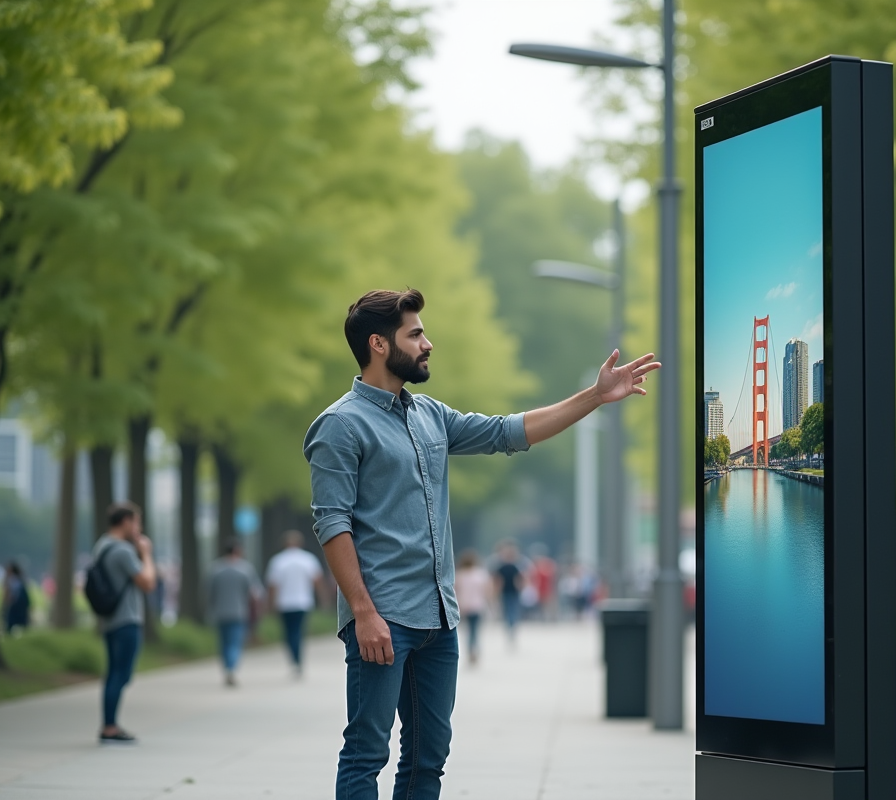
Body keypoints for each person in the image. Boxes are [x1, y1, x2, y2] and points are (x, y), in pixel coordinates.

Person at [303, 288, 658, 800]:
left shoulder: (429, 415)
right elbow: (332, 524)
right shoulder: (340, 425)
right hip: (382, 619)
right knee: (366, 752)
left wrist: (595, 397)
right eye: (416, 334)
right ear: (379, 344)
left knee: (429, 758)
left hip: (439, 620)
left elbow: (508, 432)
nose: (428, 343)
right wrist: (362, 612)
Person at [91, 501, 156, 745]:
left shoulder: (102, 546)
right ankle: (110, 727)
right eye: (137, 522)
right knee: (121, 674)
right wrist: (146, 553)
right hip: (126, 619)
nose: (139, 528)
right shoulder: (123, 551)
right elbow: (148, 582)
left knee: (114, 673)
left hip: (110, 619)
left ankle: (110, 723)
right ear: (126, 522)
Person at [265, 529, 326, 676]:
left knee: (288, 632)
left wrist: (270, 604)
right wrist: (323, 598)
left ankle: (294, 658)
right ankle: (298, 659)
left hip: (284, 603)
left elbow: (273, 585)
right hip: (303, 602)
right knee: (298, 631)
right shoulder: (308, 559)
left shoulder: (278, 561)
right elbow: (317, 581)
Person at [207, 540, 264, 687]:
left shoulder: (215, 569)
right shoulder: (245, 569)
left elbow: (208, 592)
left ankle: (227, 666)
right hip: (239, 612)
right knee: (235, 642)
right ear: (237, 551)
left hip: (220, 612)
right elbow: (255, 593)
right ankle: (231, 668)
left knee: (224, 642)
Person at [453, 549, 492, 664]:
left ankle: (470, 650)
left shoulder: (459, 574)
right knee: (475, 630)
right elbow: (487, 589)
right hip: (478, 605)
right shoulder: (480, 574)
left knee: (468, 630)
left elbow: (455, 590)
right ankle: (475, 649)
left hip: (464, 605)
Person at [493, 540, 527, 644]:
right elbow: (519, 579)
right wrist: (520, 588)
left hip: (505, 592)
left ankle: (510, 626)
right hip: (513, 591)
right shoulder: (514, 567)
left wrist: (496, 592)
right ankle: (512, 626)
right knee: (513, 610)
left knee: (507, 611)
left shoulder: (501, 567)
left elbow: (499, 581)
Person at [1, 562, 31, 634]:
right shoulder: (20, 579)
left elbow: (9, 593)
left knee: (10, 622)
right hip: (20, 604)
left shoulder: (11, 579)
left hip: (15, 604)